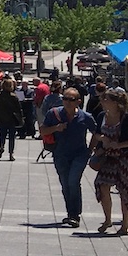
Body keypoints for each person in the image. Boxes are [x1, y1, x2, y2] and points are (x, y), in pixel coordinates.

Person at [41, 87, 97, 228]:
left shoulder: (85, 117)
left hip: (79, 154)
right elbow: (43, 130)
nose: (67, 102)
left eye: (71, 100)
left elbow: (96, 133)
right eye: (64, 98)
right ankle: (70, 213)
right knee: (65, 184)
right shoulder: (53, 114)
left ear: (78, 101)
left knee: (73, 181)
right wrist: (56, 128)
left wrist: (90, 150)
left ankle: (75, 215)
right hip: (60, 154)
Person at [90, 88, 128, 236]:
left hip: (125, 158)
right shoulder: (102, 116)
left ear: (115, 103)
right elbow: (96, 133)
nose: (102, 101)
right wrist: (101, 140)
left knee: (126, 190)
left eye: (106, 99)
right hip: (108, 158)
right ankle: (107, 219)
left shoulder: (126, 118)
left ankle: (125, 224)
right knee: (101, 185)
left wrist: (119, 145)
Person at [0, 77, 23, 161]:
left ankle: (2, 146)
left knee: (2, 134)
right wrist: (21, 119)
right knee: (11, 137)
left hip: (1, 118)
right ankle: (11, 154)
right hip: (11, 119)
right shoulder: (14, 97)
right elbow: (18, 109)